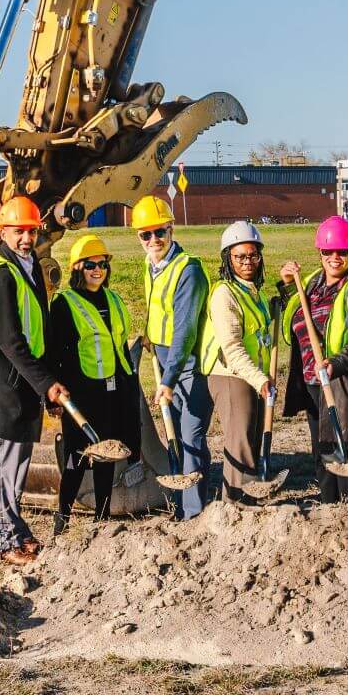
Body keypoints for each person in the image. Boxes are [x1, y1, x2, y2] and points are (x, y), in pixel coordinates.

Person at [0, 196, 70, 564]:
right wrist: (46, 384)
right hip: (5, 385)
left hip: (25, 383)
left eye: (30, 231)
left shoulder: (28, 268)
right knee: (4, 463)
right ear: (3, 232)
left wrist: (47, 385)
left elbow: (38, 330)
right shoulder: (0, 275)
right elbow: (11, 341)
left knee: (19, 462)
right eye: (18, 232)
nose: (26, 238)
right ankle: (4, 539)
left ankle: (16, 527)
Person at [280, 216, 348, 503]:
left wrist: (334, 363)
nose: (335, 258)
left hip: (343, 384)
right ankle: (329, 510)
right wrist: (288, 285)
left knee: (345, 452)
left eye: (342, 251)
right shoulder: (312, 283)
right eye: (328, 252)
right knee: (322, 452)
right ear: (320, 253)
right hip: (313, 382)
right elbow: (297, 316)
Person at [46, 232, 141, 534]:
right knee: (76, 458)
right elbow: (55, 352)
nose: (97, 270)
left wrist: (128, 386)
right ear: (77, 269)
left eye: (102, 265)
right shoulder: (65, 303)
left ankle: (103, 519)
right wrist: (54, 395)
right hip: (81, 393)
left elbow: (119, 343)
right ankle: (62, 519)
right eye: (90, 265)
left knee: (107, 454)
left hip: (113, 389)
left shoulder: (112, 298)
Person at [128, 195, 213, 519]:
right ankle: (180, 505)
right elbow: (158, 308)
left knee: (190, 439)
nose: (154, 240)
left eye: (160, 232)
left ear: (171, 229)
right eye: (146, 235)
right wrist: (150, 335)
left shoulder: (187, 270)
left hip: (189, 365)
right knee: (173, 434)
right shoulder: (151, 265)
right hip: (164, 358)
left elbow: (185, 331)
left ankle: (194, 513)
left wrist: (167, 380)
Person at [203, 221, 277, 502]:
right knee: (240, 444)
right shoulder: (225, 293)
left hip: (252, 376)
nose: (248, 262)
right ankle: (235, 507)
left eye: (253, 256)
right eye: (240, 257)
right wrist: (260, 380)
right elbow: (232, 347)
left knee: (253, 441)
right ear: (228, 259)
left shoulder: (250, 290)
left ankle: (250, 502)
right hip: (231, 376)